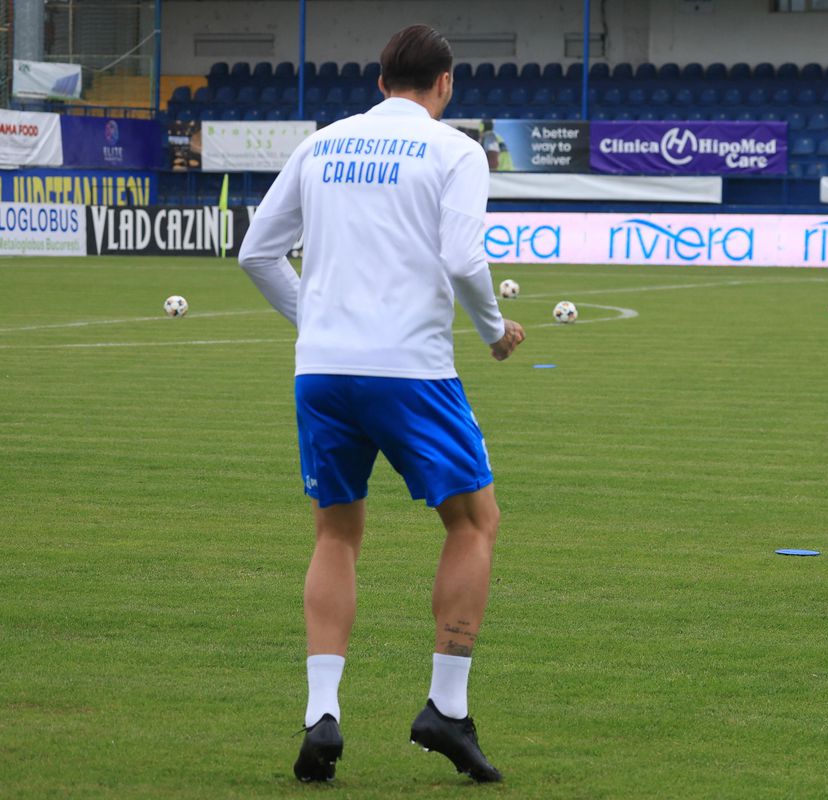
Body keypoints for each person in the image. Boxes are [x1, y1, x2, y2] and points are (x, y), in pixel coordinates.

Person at [238, 24, 524, 784]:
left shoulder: (323, 143)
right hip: (410, 371)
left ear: (379, 80)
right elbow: (465, 258)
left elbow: (256, 253)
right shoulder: (456, 150)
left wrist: (318, 320)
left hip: (323, 371)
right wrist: (494, 331)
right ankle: (446, 708)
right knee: (473, 521)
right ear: (446, 84)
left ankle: (321, 713)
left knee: (336, 533)